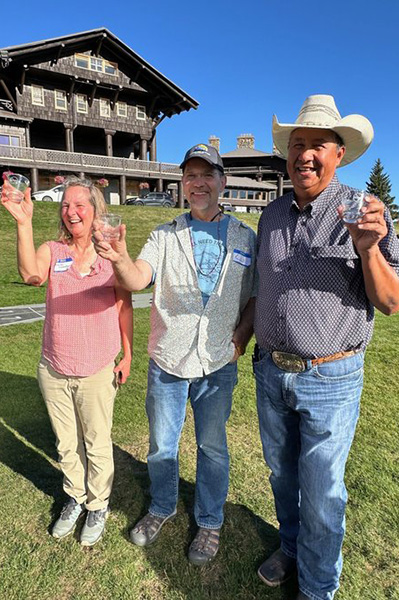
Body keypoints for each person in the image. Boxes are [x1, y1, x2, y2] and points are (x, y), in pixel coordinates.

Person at [253, 95, 399, 600]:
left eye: (318, 144)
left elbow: (391, 301)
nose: (306, 155)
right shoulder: (269, 216)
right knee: (281, 474)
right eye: (298, 144)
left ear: (339, 154)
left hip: (330, 378)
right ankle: (291, 549)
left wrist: (368, 247)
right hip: (271, 372)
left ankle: (317, 589)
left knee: (322, 494)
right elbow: (261, 289)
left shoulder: (366, 213)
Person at [93, 144, 257, 565]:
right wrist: (119, 258)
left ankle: (209, 520)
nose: (198, 183)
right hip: (167, 361)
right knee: (163, 446)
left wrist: (240, 337)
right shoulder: (165, 235)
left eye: (207, 175)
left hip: (217, 363)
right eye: (190, 176)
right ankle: (162, 507)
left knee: (212, 447)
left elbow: (256, 296)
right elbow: (137, 278)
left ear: (222, 182)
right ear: (183, 184)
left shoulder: (244, 237)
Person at [1, 175, 133, 546]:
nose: (71, 211)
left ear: (94, 212)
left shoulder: (110, 255)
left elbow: (124, 307)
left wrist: (129, 354)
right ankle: (75, 498)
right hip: (54, 368)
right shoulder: (53, 251)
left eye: (80, 205)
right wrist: (23, 223)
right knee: (65, 443)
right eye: (65, 205)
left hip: (97, 369)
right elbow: (31, 274)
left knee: (96, 442)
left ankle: (98, 504)